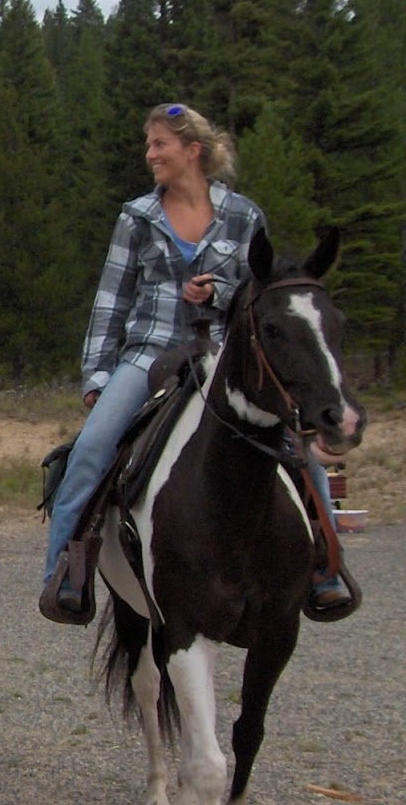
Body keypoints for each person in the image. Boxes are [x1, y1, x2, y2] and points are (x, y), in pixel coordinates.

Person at [41, 102, 351, 624]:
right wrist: (97, 375)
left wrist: (217, 294)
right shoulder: (135, 217)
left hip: (224, 357)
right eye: (149, 144)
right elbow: (111, 300)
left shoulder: (245, 216)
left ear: (193, 151)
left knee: (300, 450)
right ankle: (64, 573)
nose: (150, 154)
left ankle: (327, 566)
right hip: (148, 355)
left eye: (159, 144)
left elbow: (261, 298)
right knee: (91, 449)